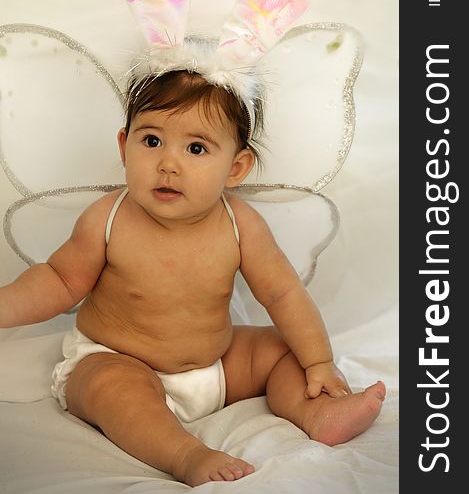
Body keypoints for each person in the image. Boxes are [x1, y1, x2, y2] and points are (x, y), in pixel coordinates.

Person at [0, 67, 385, 487]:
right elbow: (58, 280)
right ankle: (183, 452)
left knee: (281, 348)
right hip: (119, 359)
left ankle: (318, 413)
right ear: (125, 146)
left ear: (236, 168)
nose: (168, 164)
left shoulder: (241, 225)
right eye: (151, 141)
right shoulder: (108, 218)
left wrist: (319, 361)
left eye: (197, 149)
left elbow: (282, 293)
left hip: (216, 366)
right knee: (113, 388)